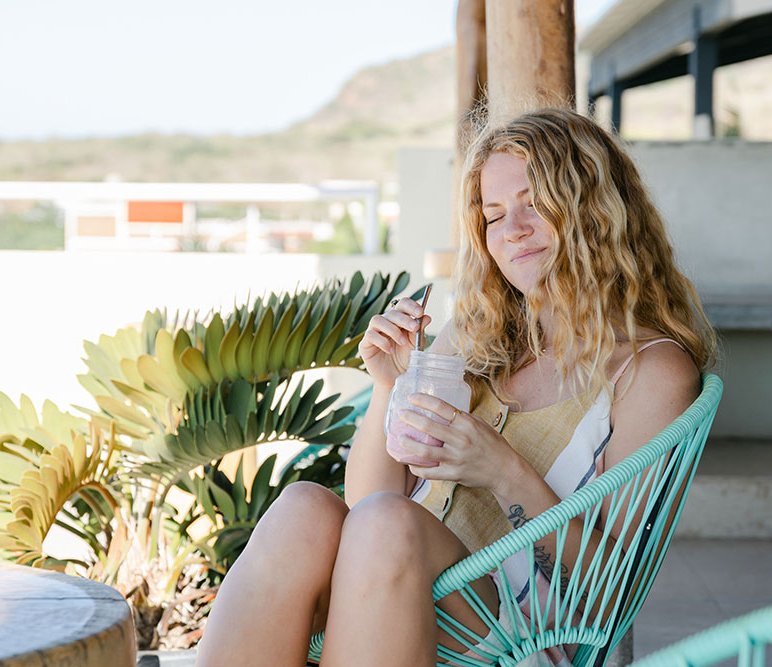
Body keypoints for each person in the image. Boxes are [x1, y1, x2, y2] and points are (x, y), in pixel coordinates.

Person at [194, 108, 715, 667]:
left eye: (536, 203)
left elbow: (607, 594)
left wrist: (503, 471)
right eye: (495, 215)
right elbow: (367, 503)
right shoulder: (480, 335)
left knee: (388, 525)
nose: (513, 230)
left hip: (517, 636)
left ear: (595, 209)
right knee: (304, 509)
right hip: (394, 579)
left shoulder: (649, 372)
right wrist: (389, 387)